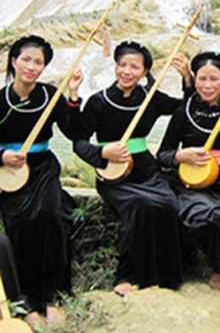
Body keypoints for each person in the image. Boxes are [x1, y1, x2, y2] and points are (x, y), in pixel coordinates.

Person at [73, 41, 190, 296]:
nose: (126, 71)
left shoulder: (151, 98)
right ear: (115, 66)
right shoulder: (98, 101)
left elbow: (185, 108)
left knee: (168, 205)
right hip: (113, 173)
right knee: (138, 208)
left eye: (134, 67)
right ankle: (128, 275)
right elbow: (78, 141)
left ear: (145, 71)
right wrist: (102, 152)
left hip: (147, 170)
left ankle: (166, 275)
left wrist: (187, 79)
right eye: (122, 65)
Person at [158, 51, 220, 291]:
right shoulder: (184, 111)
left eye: (214, 79)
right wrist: (179, 156)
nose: (207, 85)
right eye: (201, 79)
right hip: (194, 180)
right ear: (194, 81)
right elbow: (163, 154)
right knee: (206, 217)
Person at [0, 35, 82, 326]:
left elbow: (74, 132)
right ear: (14, 61)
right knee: (21, 224)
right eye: (26, 59)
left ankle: (53, 296)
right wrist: (2, 157)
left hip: (44, 168)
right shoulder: (1, 99)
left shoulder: (50, 96)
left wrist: (72, 96)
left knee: (50, 216)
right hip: (9, 174)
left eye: (39, 62)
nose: (32, 66)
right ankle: (27, 301)